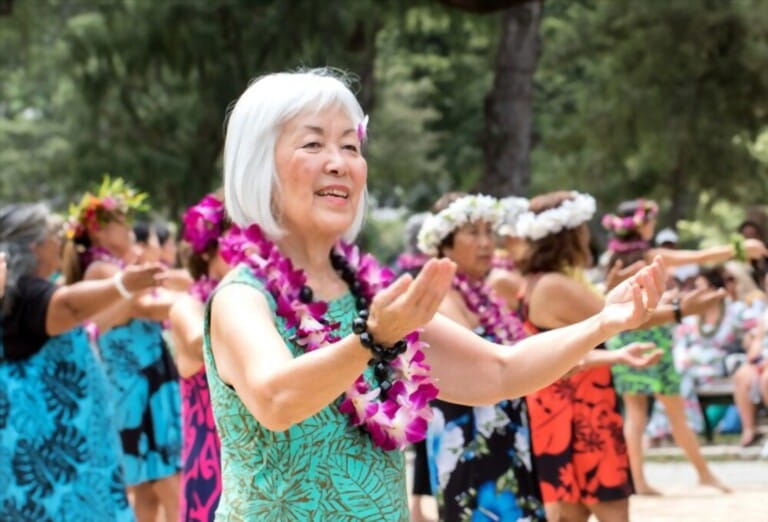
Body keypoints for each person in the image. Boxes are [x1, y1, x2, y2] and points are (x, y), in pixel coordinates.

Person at [203, 69, 665, 520]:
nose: (339, 162)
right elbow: (276, 401)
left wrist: (602, 323)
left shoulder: (373, 295)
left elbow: (499, 371)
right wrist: (372, 340)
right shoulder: (243, 296)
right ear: (260, 164)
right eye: (313, 143)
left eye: (349, 144)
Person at [0, 203, 161, 520]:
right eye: (53, 236)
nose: (60, 243)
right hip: (53, 454)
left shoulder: (16, 293)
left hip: (50, 449)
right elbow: (71, 307)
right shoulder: (25, 292)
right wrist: (122, 284)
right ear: (35, 245)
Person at [416, 192, 545, 521]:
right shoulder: (439, 295)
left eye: (489, 232)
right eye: (473, 233)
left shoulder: (486, 294)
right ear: (444, 243)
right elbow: (477, 358)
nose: (487, 243)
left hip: (505, 432)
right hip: (467, 438)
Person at [62, 177, 182, 522]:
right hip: (138, 380)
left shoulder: (112, 269)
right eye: (119, 222)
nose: (128, 227)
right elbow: (143, 307)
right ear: (98, 232)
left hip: (138, 377)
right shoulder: (103, 269)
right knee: (169, 486)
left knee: (146, 490)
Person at [602, 199, 742, 495]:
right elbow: (702, 254)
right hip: (652, 336)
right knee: (675, 409)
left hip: (623, 336)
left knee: (636, 412)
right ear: (640, 225)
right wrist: (740, 249)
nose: (653, 224)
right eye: (650, 219)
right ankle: (703, 474)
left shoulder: (610, 260)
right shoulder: (653, 255)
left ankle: (638, 480)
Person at [170, 194, 233, 521]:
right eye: (233, 239)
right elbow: (198, 345)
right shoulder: (187, 304)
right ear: (208, 248)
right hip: (211, 459)